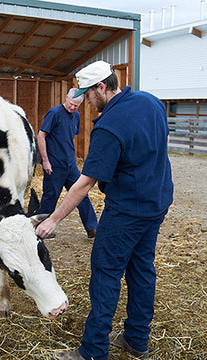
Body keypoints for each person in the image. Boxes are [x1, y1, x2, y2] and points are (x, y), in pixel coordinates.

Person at [36, 60, 174, 360]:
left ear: (102, 87)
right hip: (158, 202)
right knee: (142, 269)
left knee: (105, 273)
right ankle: (137, 339)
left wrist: (54, 220)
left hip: (127, 210)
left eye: (88, 94)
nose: (85, 101)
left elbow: (85, 184)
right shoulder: (150, 101)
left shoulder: (108, 127)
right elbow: (163, 140)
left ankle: (93, 350)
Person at [37, 88, 97, 239]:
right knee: (51, 196)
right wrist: (45, 160)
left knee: (82, 194)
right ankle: (43, 228)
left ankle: (92, 228)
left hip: (70, 164)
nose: (72, 107)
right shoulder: (54, 113)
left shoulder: (76, 116)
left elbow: (68, 138)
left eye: (76, 105)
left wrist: (71, 157)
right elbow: (41, 136)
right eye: (71, 104)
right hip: (54, 164)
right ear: (66, 98)